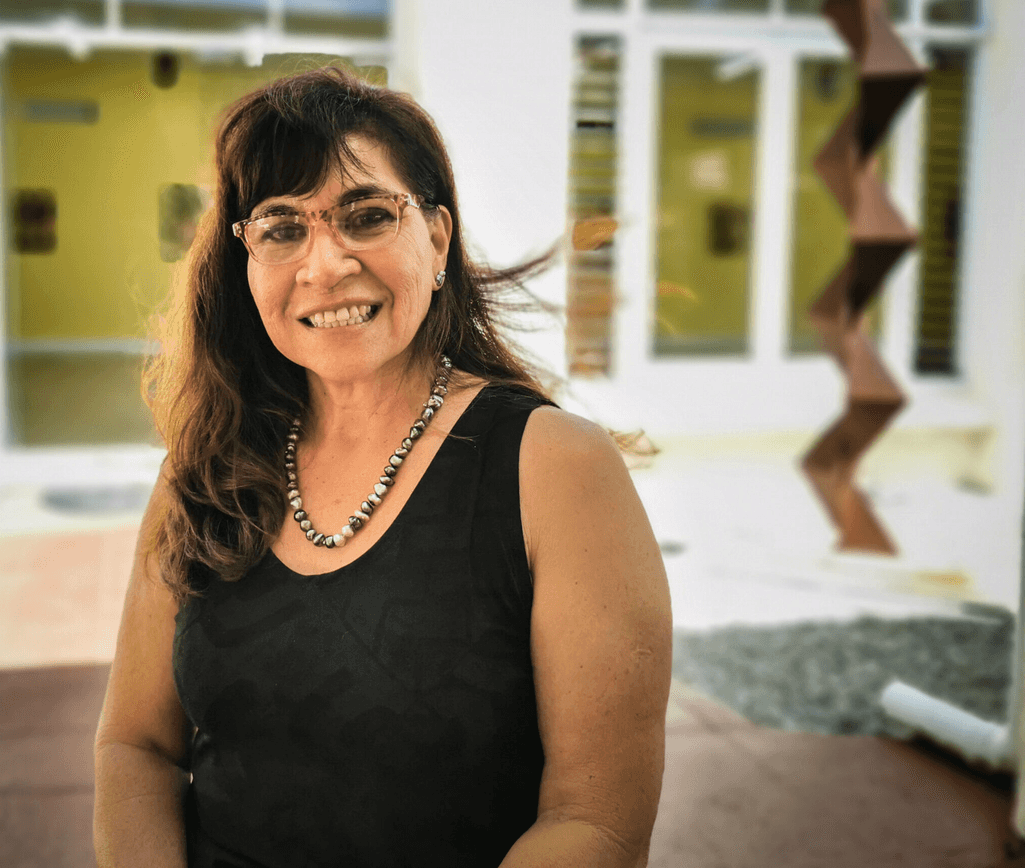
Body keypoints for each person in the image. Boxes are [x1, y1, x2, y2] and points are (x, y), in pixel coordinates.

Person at [93, 67, 672, 868]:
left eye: (366, 216)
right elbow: (136, 748)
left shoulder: (555, 469)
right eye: (281, 227)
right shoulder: (202, 472)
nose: (324, 265)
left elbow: (597, 822)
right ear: (246, 262)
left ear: (436, 238)